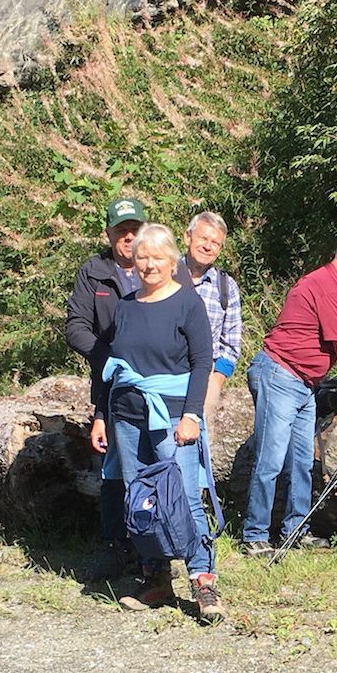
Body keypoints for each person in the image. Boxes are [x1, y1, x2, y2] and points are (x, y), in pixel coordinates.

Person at [87, 223, 223, 620]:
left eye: (158, 258)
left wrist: (192, 415)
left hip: (172, 416)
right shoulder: (125, 307)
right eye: (142, 257)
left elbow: (202, 363)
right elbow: (112, 369)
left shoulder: (187, 303)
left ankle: (203, 582)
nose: (149, 264)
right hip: (126, 414)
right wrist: (101, 417)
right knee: (140, 499)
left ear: (171, 261)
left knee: (182, 497)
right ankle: (156, 579)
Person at [242, 238, 337, 555]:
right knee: (271, 459)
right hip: (281, 375)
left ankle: (296, 530)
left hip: (303, 382)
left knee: (302, 461)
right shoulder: (326, 286)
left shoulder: (327, 284)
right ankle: (254, 535)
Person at [65, 196, 146, 578]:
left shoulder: (162, 268)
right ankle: (114, 545)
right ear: (109, 233)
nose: (129, 238)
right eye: (121, 231)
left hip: (157, 384)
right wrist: (104, 358)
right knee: (113, 466)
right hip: (111, 385)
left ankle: (152, 547)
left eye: (135, 230)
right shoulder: (94, 272)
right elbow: (75, 326)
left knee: (154, 465)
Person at [175, 211, 243, 415]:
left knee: (196, 442)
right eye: (203, 238)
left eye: (215, 242)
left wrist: (217, 379)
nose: (207, 246)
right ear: (188, 237)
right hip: (163, 374)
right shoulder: (163, 274)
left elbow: (232, 340)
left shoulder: (226, 286)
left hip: (205, 378)